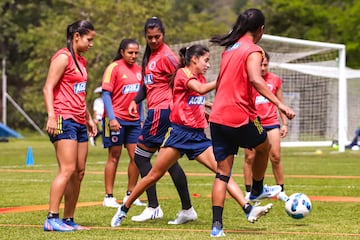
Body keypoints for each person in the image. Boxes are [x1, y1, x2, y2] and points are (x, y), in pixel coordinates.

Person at [111, 44, 273, 228]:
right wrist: (224, 79)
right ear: (194, 59)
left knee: (222, 173)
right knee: (153, 175)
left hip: (198, 138)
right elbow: (200, 89)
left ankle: (248, 209)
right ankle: (123, 209)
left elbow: (195, 101)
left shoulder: (200, 77)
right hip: (179, 135)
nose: (208, 65)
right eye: (206, 60)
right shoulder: (183, 73)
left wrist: (209, 111)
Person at [208, 8, 295, 237]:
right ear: (261, 30)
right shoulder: (253, 50)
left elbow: (220, 81)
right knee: (265, 145)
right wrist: (281, 105)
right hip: (241, 117)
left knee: (222, 174)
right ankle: (257, 190)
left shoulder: (230, 48)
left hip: (217, 118)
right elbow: (256, 79)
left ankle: (217, 227)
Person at [124, 17, 196, 224]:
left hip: (161, 112)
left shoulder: (166, 55)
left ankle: (153, 206)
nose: (154, 40)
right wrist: (135, 101)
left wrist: (190, 103)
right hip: (157, 111)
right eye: (150, 37)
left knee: (140, 157)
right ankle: (187, 208)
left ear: (163, 35)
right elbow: (148, 86)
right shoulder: (151, 55)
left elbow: (184, 77)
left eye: (157, 37)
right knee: (169, 161)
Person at [42, 20, 96, 232]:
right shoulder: (62, 57)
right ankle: (51, 218)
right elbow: (48, 88)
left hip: (79, 120)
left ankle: (68, 219)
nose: (91, 43)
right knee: (67, 169)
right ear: (76, 36)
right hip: (64, 118)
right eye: (88, 39)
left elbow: (79, 93)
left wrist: (89, 118)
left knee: (79, 172)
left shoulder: (81, 62)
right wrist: (51, 116)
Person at [101, 39, 146, 208]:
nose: (134, 56)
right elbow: (106, 95)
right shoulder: (114, 68)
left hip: (134, 121)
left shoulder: (140, 71)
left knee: (137, 157)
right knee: (114, 156)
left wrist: (140, 117)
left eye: (136, 53)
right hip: (115, 119)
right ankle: (109, 196)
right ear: (122, 52)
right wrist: (111, 118)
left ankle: (130, 194)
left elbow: (139, 98)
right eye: (130, 52)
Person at [243, 51, 289, 202]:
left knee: (275, 157)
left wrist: (285, 123)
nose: (262, 68)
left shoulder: (275, 80)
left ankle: (280, 190)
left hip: (271, 122)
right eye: (260, 65)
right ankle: (250, 191)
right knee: (250, 157)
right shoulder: (249, 79)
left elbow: (280, 101)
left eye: (265, 65)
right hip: (255, 122)